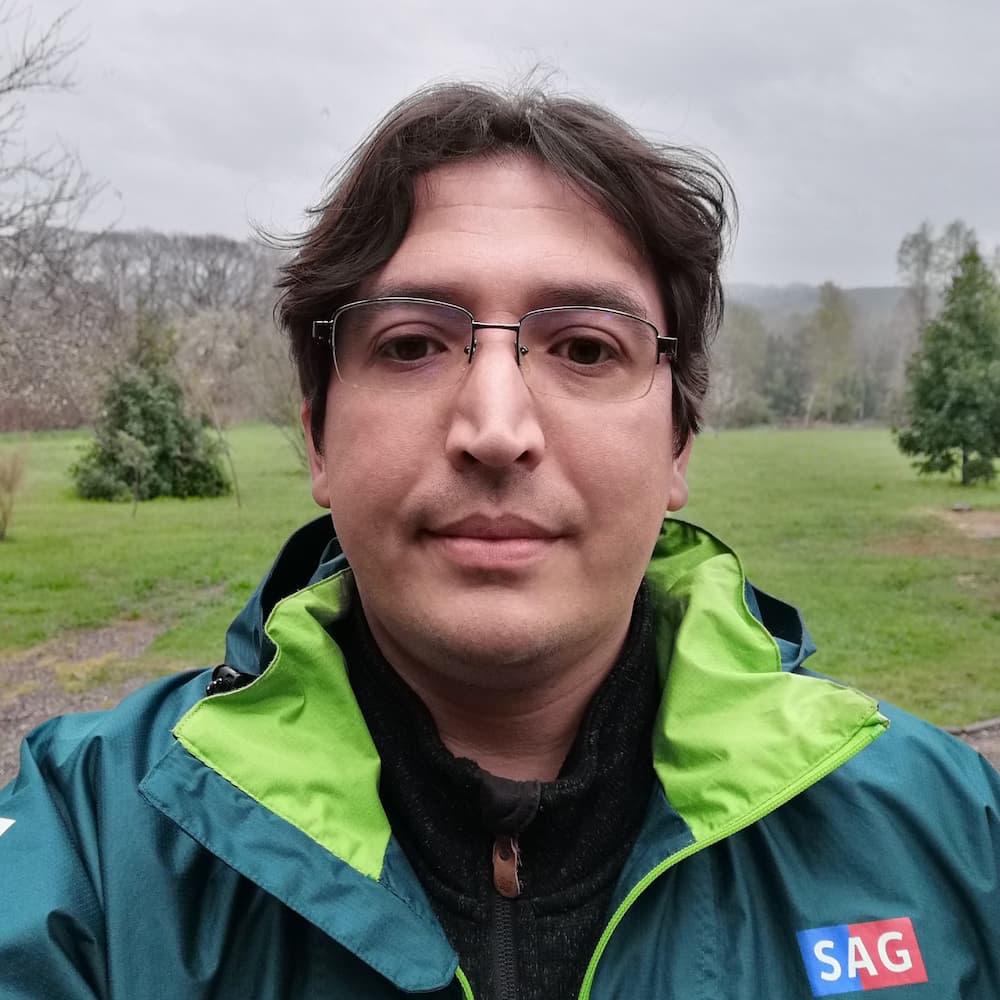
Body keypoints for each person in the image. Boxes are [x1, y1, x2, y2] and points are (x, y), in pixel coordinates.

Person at [1, 82, 998, 1000]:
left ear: (678, 443)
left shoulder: (944, 834)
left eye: (583, 348)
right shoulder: (95, 841)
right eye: (410, 344)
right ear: (316, 436)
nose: (494, 427)